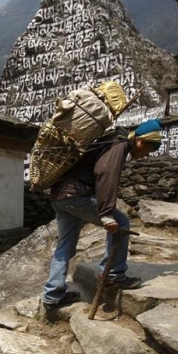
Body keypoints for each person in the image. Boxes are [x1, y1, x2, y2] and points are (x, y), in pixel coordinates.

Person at [42, 119, 162, 314]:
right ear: (142, 142)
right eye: (148, 151)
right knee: (121, 222)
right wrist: (106, 214)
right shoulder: (119, 145)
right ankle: (113, 275)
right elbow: (105, 174)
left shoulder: (110, 140)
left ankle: (53, 295)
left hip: (60, 196)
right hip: (77, 195)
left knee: (65, 244)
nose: (144, 157)